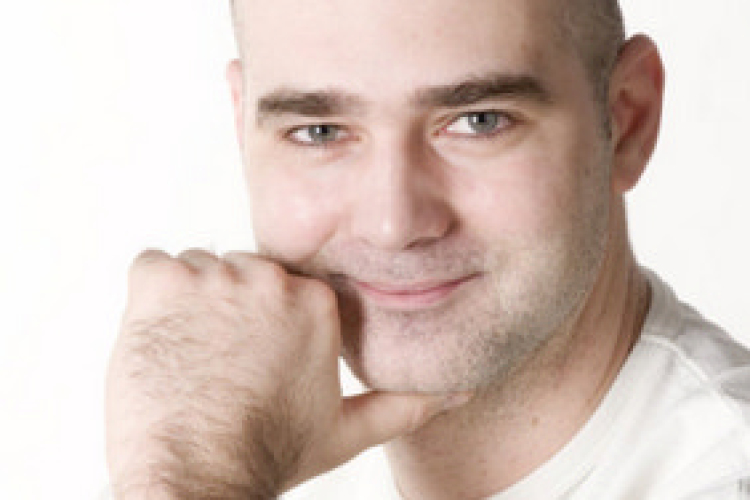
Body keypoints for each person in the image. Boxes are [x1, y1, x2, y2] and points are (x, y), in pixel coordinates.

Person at [104, 0, 750, 498]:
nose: (393, 224)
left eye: (479, 121)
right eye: (320, 131)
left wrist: (194, 480)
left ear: (628, 120)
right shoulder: (261, 441)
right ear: (242, 127)